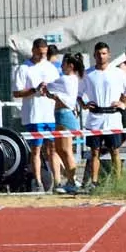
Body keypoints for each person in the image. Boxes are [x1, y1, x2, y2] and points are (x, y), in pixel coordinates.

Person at [81, 41, 126, 188]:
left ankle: (118, 181)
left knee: (115, 151)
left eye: (104, 53)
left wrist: (124, 104)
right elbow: (78, 94)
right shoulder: (88, 73)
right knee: (95, 152)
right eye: (98, 54)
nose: (101, 56)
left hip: (113, 117)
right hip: (95, 117)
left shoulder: (117, 73)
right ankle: (94, 181)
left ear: (109, 55)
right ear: (94, 55)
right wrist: (83, 105)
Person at [13, 36, 61, 189]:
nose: (42, 56)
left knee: (53, 148)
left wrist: (51, 92)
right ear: (33, 51)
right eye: (39, 53)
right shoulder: (24, 68)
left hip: (50, 114)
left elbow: (58, 89)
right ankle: (38, 182)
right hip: (34, 115)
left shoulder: (51, 68)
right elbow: (17, 92)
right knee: (36, 149)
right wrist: (34, 90)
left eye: (45, 53)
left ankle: (57, 182)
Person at [44, 53, 84, 194]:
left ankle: (73, 180)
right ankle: (70, 180)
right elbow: (51, 93)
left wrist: (46, 89)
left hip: (65, 115)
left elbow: (48, 87)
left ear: (70, 66)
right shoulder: (71, 79)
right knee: (60, 149)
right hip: (61, 115)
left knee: (66, 150)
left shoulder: (66, 79)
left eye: (63, 64)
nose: (61, 66)